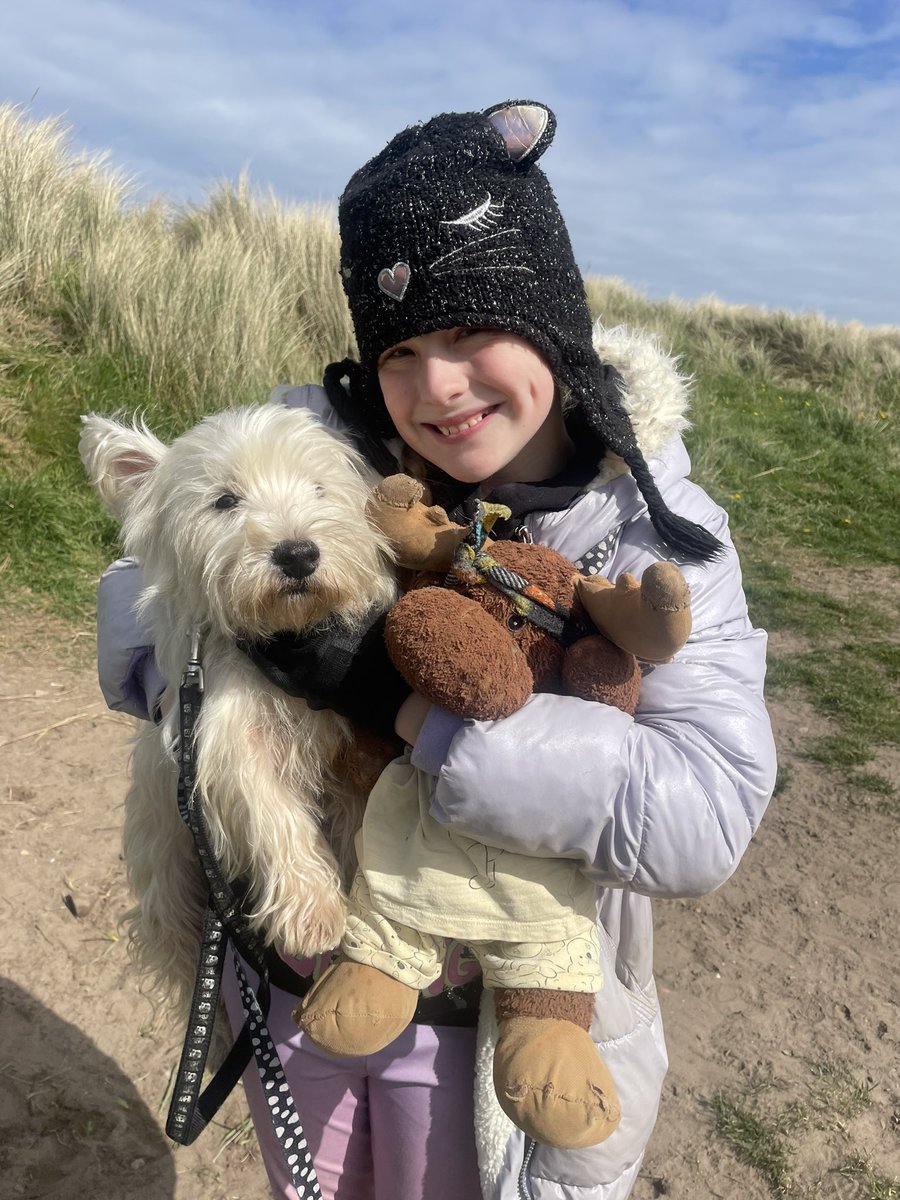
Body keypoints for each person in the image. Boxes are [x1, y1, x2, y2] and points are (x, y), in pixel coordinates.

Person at [95, 100, 776, 1200]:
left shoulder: (659, 533)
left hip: (503, 1020)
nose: (439, 388)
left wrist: (407, 707)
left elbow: (700, 820)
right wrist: (227, 627)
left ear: (550, 318)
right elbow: (135, 604)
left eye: (472, 333)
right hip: (298, 981)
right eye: (402, 349)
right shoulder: (321, 440)